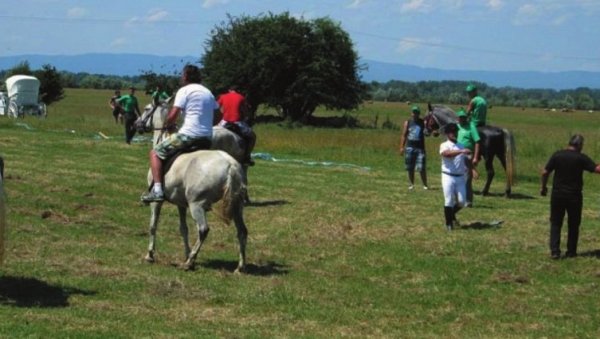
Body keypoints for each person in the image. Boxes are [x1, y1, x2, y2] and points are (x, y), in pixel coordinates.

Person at [141, 65, 218, 203]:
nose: (181, 77)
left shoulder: (184, 90)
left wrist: (168, 125)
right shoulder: (208, 92)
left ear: (187, 77)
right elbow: (218, 116)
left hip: (187, 136)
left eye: (182, 75)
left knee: (155, 153)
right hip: (207, 138)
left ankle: (157, 190)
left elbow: (174, 114)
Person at [540, 134, 600, 259]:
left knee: (556, 223)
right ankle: (571, 251)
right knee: (573, 224)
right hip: (574, 196)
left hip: (557, 195)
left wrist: (543, 187)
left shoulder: (557, 155)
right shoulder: (581, 158)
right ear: (579, 145)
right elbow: (597, 169)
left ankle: (555, 251)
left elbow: (545, 172)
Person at [440, 123, 471, 231]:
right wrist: (462, 151)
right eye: (452, 132)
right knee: (448, 200)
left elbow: (464, 160)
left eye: (455, 131)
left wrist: (473, 169)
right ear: (447, 134)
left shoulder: (461, 145)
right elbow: (447, 154)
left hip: (460, 177)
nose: (454, 133)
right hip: (447, 176)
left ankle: (450, 215)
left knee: (462, 202)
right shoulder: (444, 145)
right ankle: (449, 224)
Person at [217, 86, 256, 165]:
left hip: (224, 121)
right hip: (237, 122)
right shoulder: (241, 97)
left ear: (229, 90)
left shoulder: (223, 96)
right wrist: (246, 116)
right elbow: (245, 111)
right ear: (237, 91)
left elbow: (218, 108)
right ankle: (247, 157)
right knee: (252, 137)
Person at [399, 105, 428, 190]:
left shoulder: (423, 123)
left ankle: (425, 184)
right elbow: (404, 135)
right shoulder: (407, 122)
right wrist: (401, 147)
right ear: (411, 113)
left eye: (417, 112)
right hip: (410, 147)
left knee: (421, 167)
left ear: (419, 114)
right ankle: (411, 184)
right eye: (414, 112)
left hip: (420, 148)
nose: (415, 114)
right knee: (410, 167)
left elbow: (427, 132)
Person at [456, 108, 481, 206]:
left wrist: (475, 157)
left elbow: (477, 142)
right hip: (457, 153)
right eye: (460, 117)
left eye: (463, 117)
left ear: (466, 118)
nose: (461, 119)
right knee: (457, 177)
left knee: (467, 178)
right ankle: (458, 198)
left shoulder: (471, 126)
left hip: (467, 154)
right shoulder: (456, 127)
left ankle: (468, 200)